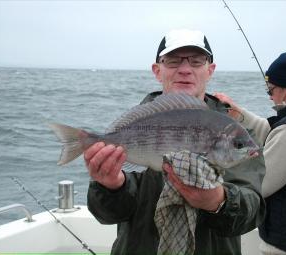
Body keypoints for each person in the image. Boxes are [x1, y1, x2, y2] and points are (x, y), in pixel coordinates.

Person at [84, 29, 266, 255]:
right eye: (172, 61)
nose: (185, 69)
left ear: (210, 70)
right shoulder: (135, 128)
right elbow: (108, 215)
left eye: (197, 61)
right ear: (157, 71)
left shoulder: (236, 136)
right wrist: (110, 187)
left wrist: (218, 201)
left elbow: (253, 211)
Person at [215, 51, 286, 255]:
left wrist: (217, 171)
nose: (269, 95)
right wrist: (239, 115)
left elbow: (258, 183)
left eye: (270, 89)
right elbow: (277, 133)